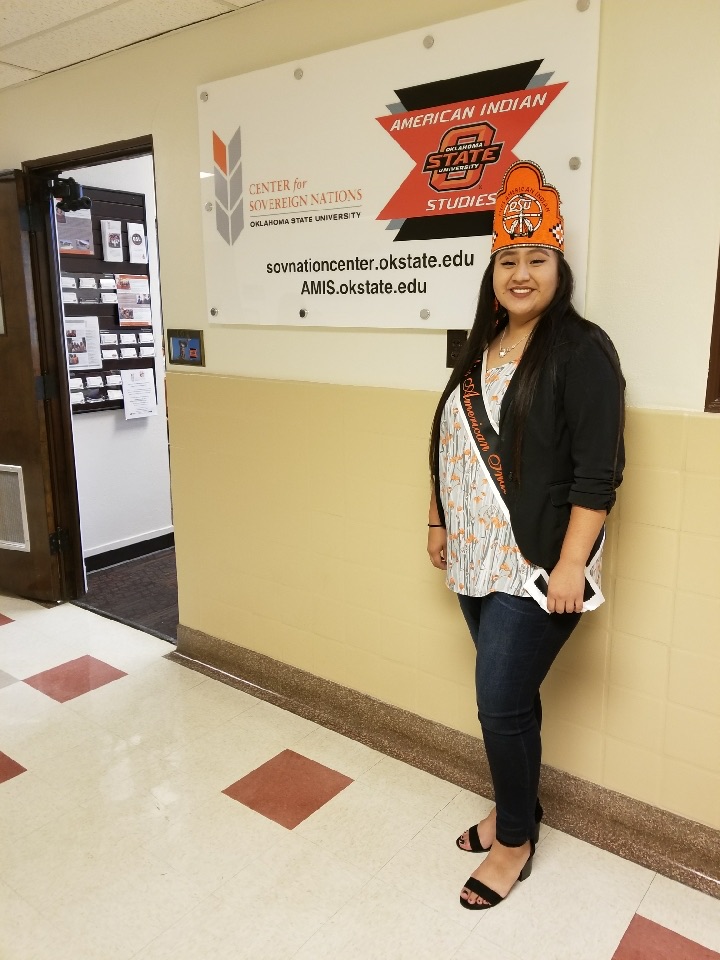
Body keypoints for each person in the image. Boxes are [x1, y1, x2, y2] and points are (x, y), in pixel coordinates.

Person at [427, 161, 625, 910]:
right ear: (491, 271)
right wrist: (438, 516)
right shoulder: (481, 347)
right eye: (506, 260)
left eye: (535, 258)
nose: (519, 272)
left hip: (539, 566)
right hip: (475, 558)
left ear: (558, 267)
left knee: (499, 701)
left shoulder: (582, 351)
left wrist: (573, 563)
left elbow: (596, 474)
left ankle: (514, 841)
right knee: (513, 701)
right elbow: (449, 435)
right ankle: (522, 809)